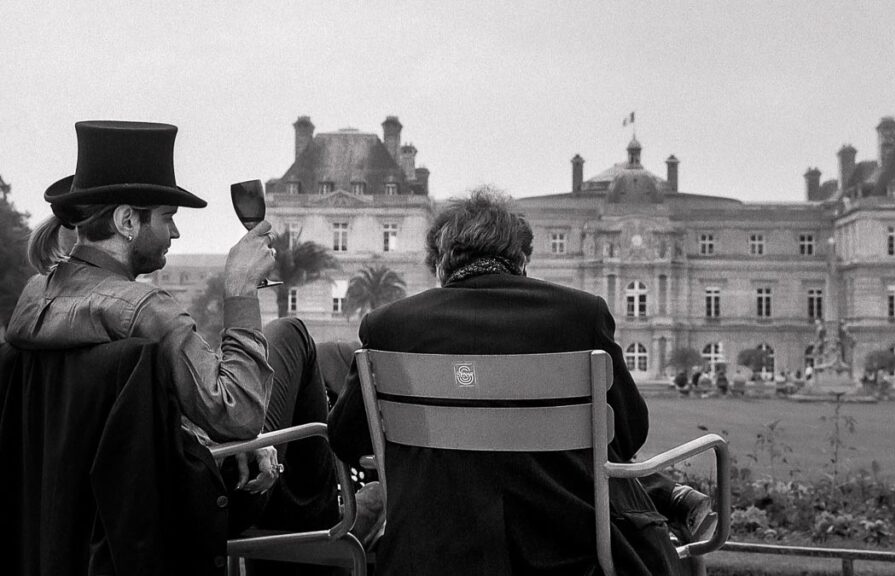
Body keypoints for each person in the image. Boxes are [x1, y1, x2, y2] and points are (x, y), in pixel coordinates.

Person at [5, 121, 339, 574]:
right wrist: (240, 289)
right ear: (127, 222)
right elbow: (239, 413)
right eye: (167, 217)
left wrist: (193, 430)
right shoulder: (146, 310)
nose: (176, 233)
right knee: (293, 334)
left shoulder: (33, 301)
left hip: (80, 520)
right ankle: (328, 531)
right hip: (182, 507)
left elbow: (120, 413)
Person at [328, 190, 696, 576]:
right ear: (521, 259)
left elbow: (347, 437)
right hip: (567, 552)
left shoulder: (388, 325)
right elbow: (628, 433)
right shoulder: (581, 315)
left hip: (430, 554)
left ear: (440, 264)